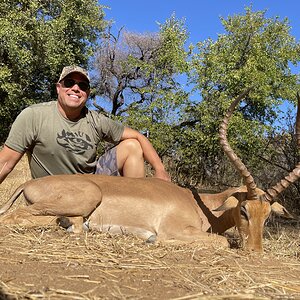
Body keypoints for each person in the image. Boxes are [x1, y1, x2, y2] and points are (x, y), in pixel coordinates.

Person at [0, 66, 170, 184]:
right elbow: (5, 163)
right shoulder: (33, 115)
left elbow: (139, 136)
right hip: (50, 192)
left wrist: (160, 169)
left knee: (133, 145)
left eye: (82, 85)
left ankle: (136, 211)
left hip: (91, 187)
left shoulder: (95, 120)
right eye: (69, 83)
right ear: (58, 88)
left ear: (87, 93)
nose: (75, 88)